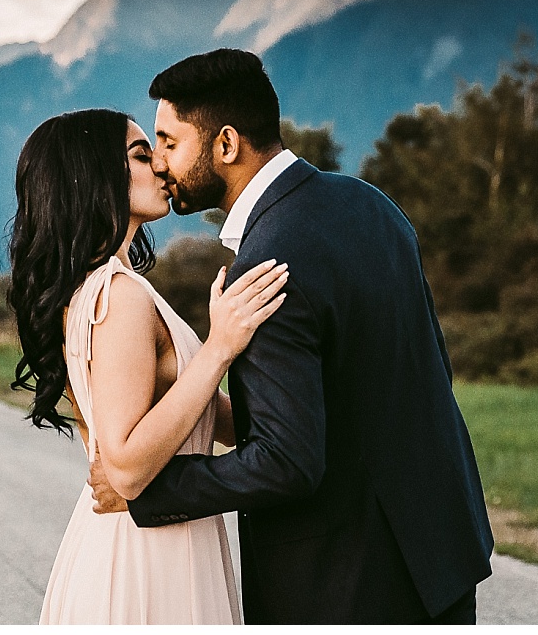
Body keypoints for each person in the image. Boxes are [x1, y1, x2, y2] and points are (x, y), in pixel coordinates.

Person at [86, 49, 494, 624]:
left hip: (343, 582)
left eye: (171, 144)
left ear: (226, 145)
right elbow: (394, 376)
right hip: (440, 553)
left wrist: (148, 491)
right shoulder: (371, 204)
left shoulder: (267, 260)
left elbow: (286, 461)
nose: (161, 166)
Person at [8, 108, 289, 624]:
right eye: (141, 154)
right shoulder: (117, 295)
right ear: (95, 177)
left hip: (155, 540)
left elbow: (197, 416)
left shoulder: (106, 288)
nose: (162, 165)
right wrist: (219, 347)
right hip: (144, 557)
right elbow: (127, 466)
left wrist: (296, 420)